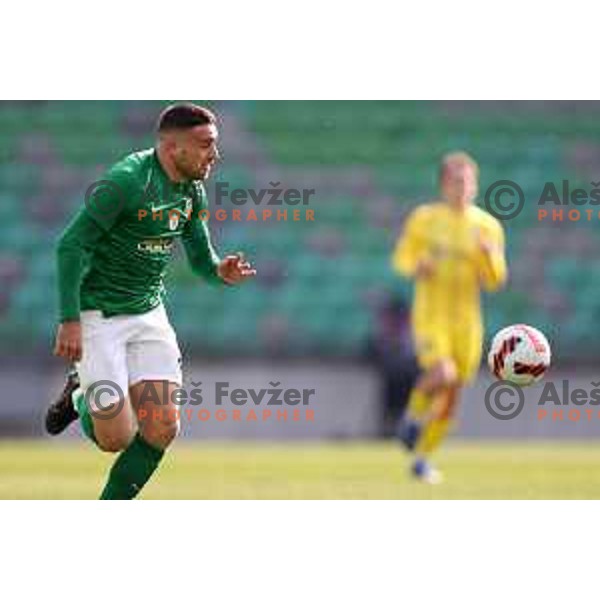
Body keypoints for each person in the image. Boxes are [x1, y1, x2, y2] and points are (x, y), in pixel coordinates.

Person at [46, 103, 256, 500]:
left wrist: (218, 270)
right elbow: (70, 244)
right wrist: (69, 320)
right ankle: (80, 392)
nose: (215, 154)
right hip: (99, 316)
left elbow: (199, 256)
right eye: (206, 144)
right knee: (116, 438)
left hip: (148, 314)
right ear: (173, 147)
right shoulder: (126, 182)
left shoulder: (192, 190)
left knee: (163, 427)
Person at [391, 151, 507, 484]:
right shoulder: (424, 219)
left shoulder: (487, 227)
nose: (464, 188)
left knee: (451, 398)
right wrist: (418, 265)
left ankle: (422, 459)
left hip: (468, 322)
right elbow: (402, 259)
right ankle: (412, 418)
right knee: (443, 371)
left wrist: (490, 257)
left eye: (469, 182)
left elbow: (496, 281)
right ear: (443, 184)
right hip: (432, 315)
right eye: (458, 181)